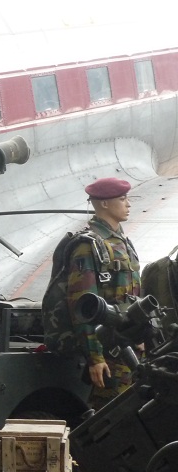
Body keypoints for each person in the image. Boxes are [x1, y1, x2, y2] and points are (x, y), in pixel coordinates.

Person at [67, 176, 140, 411]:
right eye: (122, 198)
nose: (128, 204)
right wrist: (95, 358)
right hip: (108, 351)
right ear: (105, 204)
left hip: (128, 346)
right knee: (112, 418)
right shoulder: (89, 245)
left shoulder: (122, 241)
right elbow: (83, 306)